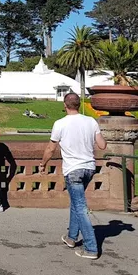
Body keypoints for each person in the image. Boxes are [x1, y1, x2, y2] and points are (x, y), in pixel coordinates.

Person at [41, 93, 107, 260]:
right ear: (79, 104)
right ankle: (71, 237)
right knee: (76, 203)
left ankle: (91, 247)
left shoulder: (60, 124)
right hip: (89, 168)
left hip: (73, 170)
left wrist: (43, 164)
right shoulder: (91, 121)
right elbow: (102, 144)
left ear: (65, 105)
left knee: (80, 207)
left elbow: (50, 149)